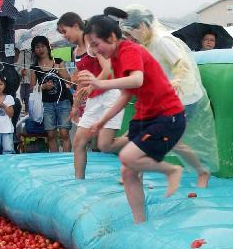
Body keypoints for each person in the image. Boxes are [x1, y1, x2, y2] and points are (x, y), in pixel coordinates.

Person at [77, 15, 186, 224]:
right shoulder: (116, 59)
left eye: (96, 45)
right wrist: (102, 120)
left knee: (127, 157)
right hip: (145, 116)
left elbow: (137, 79)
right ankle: (140, 222)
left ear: (111, 37)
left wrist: (100, 85)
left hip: (167, 115)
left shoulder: (130, 50)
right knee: (128, 172)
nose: (95, 50)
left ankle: (172, 170)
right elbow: (126, 94)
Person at [115, 5, 219, 187]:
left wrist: (176, 81)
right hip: (164, 98)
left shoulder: (161, 41)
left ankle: (202, 171)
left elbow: (181, 63)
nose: (130, 37)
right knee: (144, 134)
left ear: (142, 26)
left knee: (171, 142)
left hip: (182, 97)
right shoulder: (145, 44)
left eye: (131, 32)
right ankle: (134, 171)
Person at [57, 12, 126, 178]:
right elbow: (81, 82)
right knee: (79, 141)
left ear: (75, 25)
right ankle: (78, 180)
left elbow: (108, 69)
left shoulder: (92, 42)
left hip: (110, 95)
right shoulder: (75, 52)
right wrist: (75, 106)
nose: (64, 36)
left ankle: (137, 137)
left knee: (105, 145)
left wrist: (94, 84)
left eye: (64, 31)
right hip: (94, 99)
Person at [29, 35, 72, 152]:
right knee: (51, 135)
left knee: (64, 133)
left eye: (43, 46)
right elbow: (32, 87)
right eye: (37, 47)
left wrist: (60, 71)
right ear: (34, 50)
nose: (40, 49)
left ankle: (67, 159)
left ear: (48, 47)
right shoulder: (34, 67)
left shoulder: (58, 61)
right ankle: (56, 161)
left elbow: (69, 80)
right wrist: (43, 86)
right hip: (46, 104)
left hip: (63, 101)